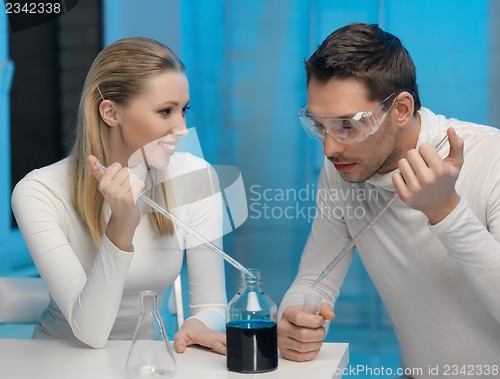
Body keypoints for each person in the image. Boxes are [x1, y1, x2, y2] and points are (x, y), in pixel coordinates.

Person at [278, 23, 500, 376]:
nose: (330, 147)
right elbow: (314, 279)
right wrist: (293, 316)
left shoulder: (492, 158)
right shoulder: (344, 166)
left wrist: (446, 212)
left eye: (347, 125)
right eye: (319, 126)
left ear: (400, 109)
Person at [11, 37, 228, 353]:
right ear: (111, 112)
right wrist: (122, 225)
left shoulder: (195, 176)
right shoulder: (39, 192)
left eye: (184, 110)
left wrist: (199, 324)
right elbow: (91, 332)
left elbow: (212, 304)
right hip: (60, 360)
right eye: (165, 111)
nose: (181, 128)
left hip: (150, 360)